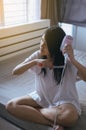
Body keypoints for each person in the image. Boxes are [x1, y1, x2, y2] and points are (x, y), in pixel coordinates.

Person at [6, 26, 86, 130]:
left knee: (70, 117)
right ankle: (52, 123)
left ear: (56, 46)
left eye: (46, 44)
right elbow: (15, 71)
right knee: (11, 105)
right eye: (42, 41)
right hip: (41, 97)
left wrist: (73, 60)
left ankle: (39, 111)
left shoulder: (67, 60)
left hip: (65, 101)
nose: (41, 45)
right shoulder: (38, 55)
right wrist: (34, 62)